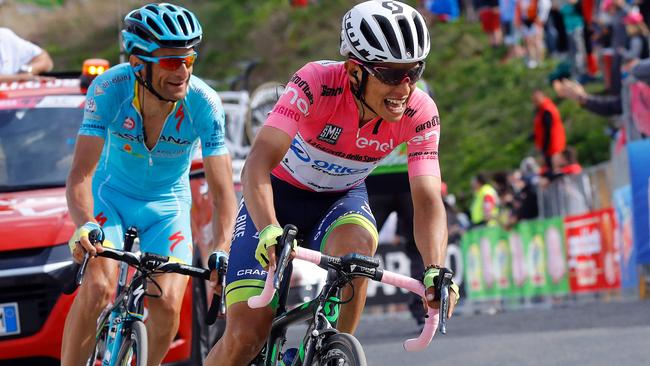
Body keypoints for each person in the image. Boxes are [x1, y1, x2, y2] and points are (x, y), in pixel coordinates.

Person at [205, 1, 459, 364]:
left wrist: (435, 267)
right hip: (276, 198)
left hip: (341, 201)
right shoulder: (316, 82)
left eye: (414, 71)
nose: (404, 86)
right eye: (391, 73)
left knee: (357, 256)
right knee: (245, 336)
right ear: (355, 70)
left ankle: (331, 351)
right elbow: (257, 165)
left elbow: (428, 198)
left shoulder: (420, 112)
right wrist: (268, 227)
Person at [62, 3, 237, 366]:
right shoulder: (109, 88)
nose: (183, 72)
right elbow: (80, 173)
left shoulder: (204, 103)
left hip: (168, 205)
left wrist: (222, 247)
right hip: (110, 199)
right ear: (139, 62)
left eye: (189, 60)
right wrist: (84, 223)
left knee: (170, 301)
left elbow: (222, 193)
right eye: (172, 62)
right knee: (98, 287)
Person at [531, 89, 566, 175]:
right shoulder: (542, 110)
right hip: (551, 145)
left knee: (555, 171)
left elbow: (548, 130)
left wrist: (545, 147)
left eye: (536, 99)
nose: (535, 102)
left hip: (553, 146)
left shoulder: (547, 110)